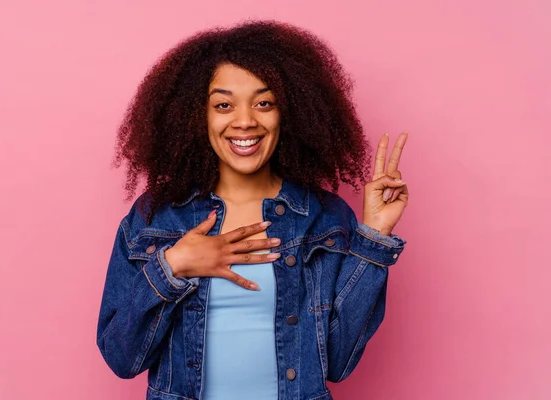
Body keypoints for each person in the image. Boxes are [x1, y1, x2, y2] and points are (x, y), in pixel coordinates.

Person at [96, 20, 409, 400]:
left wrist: (374, 235)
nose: (245, 121)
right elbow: (121, 358)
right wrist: (172, 266)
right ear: (197, 116)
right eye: (223, 105)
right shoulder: (157, 217)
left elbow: (339, 362)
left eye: (264, 103)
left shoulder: (324, 218)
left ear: (289, 112)